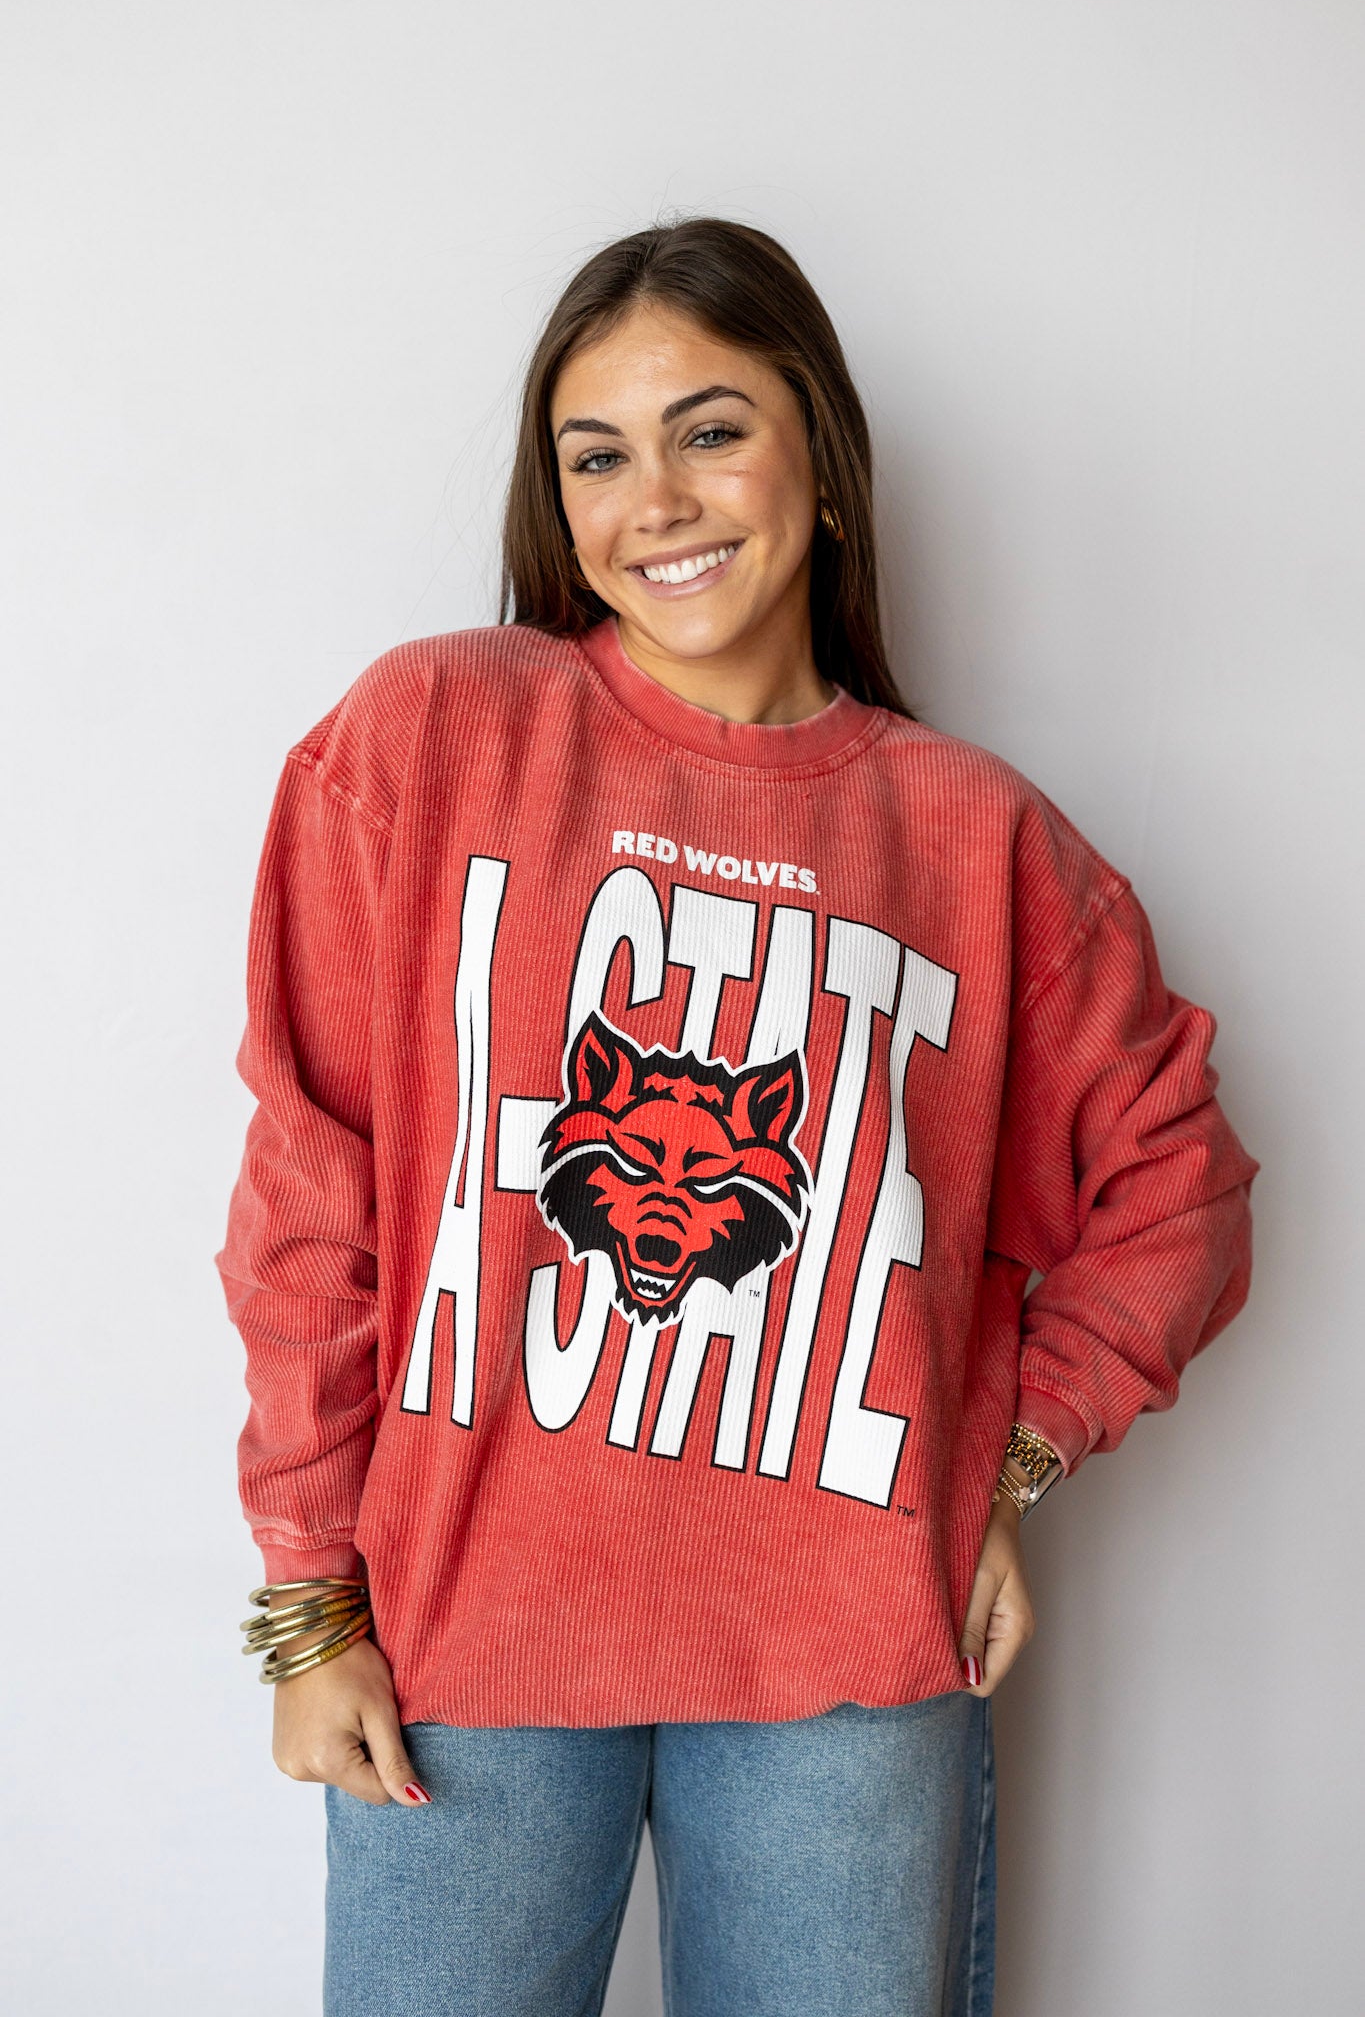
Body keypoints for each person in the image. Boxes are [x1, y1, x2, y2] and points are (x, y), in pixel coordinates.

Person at [217, 216, 1260, 2017]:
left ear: (821, 463)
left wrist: (1009, 1457)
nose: (657, 503)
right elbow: (313, 1186)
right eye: (595, 457)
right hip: (468, 1633)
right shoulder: (433, 736)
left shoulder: (979, 840)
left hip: (847, 1656)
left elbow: (1181, 1184)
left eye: (709, 432)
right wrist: (309, 1599)